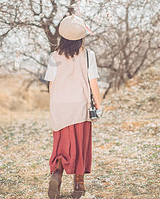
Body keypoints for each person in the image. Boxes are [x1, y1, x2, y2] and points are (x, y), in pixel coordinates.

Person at [44, 14, 101, 199]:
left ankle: (57, 174)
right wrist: (98, 105)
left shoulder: (54, 56)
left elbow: (51, 84)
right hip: (80, 105)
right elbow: (93, 82)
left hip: (59, 106)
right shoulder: (88, 55)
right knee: (80, 144)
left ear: (62, 36)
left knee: (61, 144)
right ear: (81, 36)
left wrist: (54, 105)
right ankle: (79, 185)